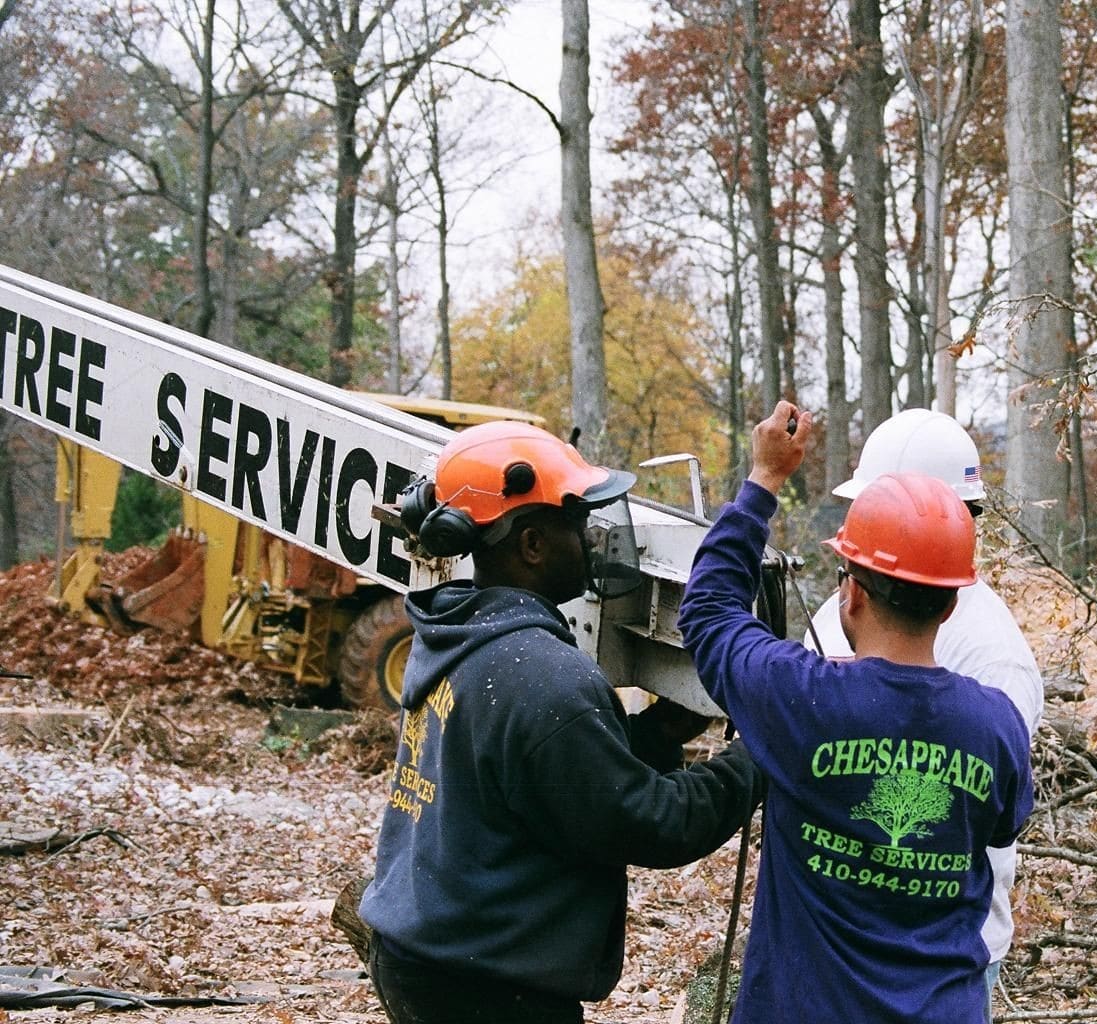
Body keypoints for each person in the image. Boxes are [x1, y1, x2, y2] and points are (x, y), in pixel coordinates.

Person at [358, 420, 761, 1024]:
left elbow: (542, 779)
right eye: (576, 521)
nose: (592, 538)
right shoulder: (543, 676)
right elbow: (653, 823)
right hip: (489, 992)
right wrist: (755, 760)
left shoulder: (458, 633)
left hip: (423, 958)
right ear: (532, 544)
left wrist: (653, 735)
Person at [679, 401, 1035, 1024]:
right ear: (950, 604)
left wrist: (764, 480)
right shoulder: (996, 725)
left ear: (852, 590)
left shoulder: (800, 699)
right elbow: (1002, 823)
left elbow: (707, 611)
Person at [805, 407, 1045, 1017]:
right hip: (836, 937)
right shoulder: (843, 608)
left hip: (938, 954)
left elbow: (979, 815)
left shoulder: (995, 662)